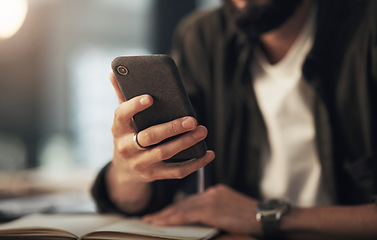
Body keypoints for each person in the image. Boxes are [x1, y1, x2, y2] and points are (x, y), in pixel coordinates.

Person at [92, 0, 377, 239]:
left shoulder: (367, 28)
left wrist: (266, 216)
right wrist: (127, 172)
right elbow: (151, 189)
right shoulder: (204, 38)